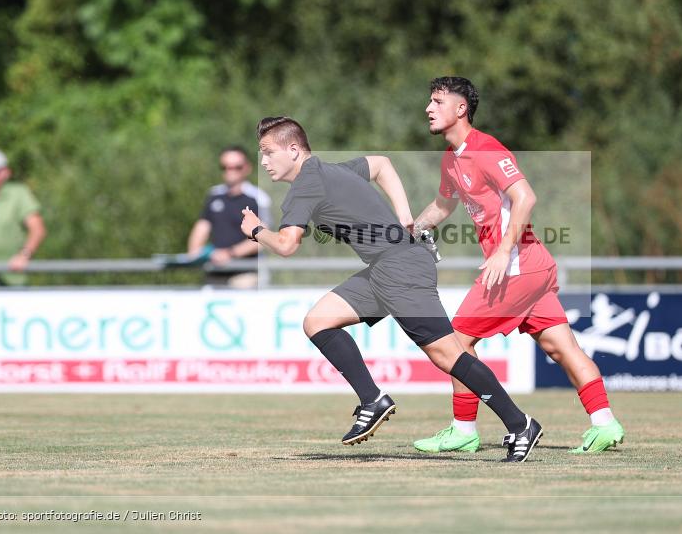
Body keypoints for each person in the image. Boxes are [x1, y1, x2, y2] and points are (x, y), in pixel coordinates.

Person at [239, 116, 544, 462]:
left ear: (293, 150)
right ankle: (372, 400)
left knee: (448, 355)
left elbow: (286, 244)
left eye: (268, 152)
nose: (264, 162)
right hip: (386, 267)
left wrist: (255, 230)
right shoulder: (330, 171)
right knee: (318, 321)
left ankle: (521, 425)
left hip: (399, 268)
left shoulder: (305, 185)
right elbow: (382, 165)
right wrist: (404, 216)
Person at [412, 77, 624, 455]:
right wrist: (411, 229)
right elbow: (443, 206)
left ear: (461, 109)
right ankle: (605, 423)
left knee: (455, 343)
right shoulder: (451, 159)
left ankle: (463, 430)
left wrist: (501, 250)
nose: (429, 108)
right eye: (430, 101)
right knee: (561, 346)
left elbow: (526, 196)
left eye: (437, 101)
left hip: (516, 265)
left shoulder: (485, 149)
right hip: (532, 266)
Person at [187, 145, 271, 288]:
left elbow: (263, 238)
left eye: (236, 167)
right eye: (225, 167)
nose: (230, 171)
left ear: (247, 168)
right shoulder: (214, 195)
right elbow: (202, 227)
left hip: (244, 273)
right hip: (214, 272)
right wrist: (194, 255)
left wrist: (229, 254)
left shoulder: (257, 198)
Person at [0, 148, 45, 285]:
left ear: (5, 172)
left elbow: (37, 229)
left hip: (11, 278)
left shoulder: (18, 194)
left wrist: (24, 255)